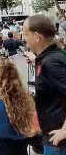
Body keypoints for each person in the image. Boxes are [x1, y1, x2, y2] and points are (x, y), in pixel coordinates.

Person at [22, 15, 66, 154]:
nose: (24, 38)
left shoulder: (51, 63)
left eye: (25, 33)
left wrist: (65, 130)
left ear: (37, 36)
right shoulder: (50, 58)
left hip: (58, 142)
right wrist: (36, 60)